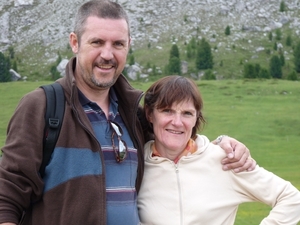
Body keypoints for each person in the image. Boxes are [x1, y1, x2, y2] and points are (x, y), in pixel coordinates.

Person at [0, 1, 255, 225]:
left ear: (128, 46)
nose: (107, 54)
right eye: (97, 42)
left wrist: (223, 144)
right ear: (75, 43)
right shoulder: (42, 106)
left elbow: (176, 142)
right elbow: (7, 196)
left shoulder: (134, 115)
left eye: (118, 44)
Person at [137, 75, 300, 225]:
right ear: (150, 114)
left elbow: (292, 199)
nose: (177, 122)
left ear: (196, 119)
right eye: (167, 111)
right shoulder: (135, 164)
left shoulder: (225, 161)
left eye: (187, 113)